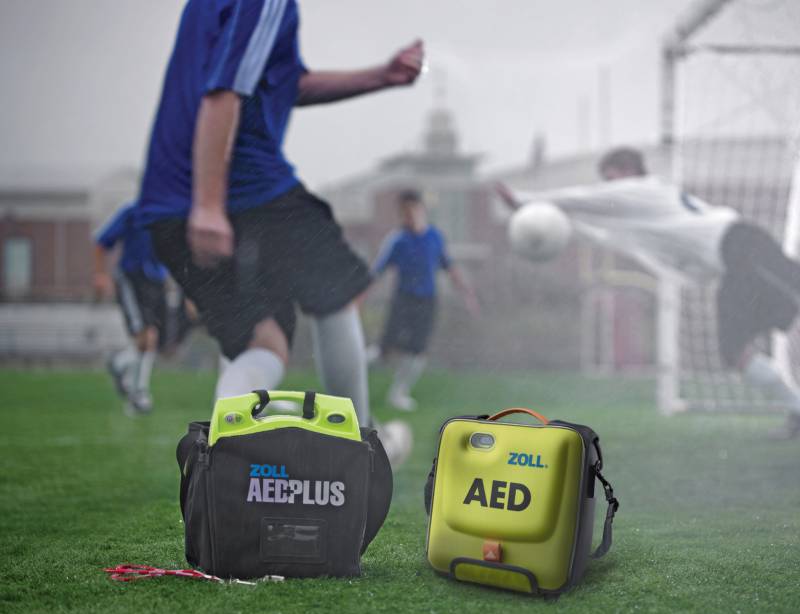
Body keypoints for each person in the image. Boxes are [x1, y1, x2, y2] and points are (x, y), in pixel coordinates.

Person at [138, 0, 423, 452]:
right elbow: (223, 90)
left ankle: (221, 460)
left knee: (262, 340)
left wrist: (380, 76)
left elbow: (283, 82)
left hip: (165, 205)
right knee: (337, 290)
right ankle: (362, 449)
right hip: (241, 189)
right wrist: (208, 205)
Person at [498, 146, 800, 438]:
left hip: (745, 246)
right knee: (733, 351)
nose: (609, 187)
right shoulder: (639, 218)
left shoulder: (645, 189)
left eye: (611, 178)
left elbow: (587, 199)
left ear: (629, 170)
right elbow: (598, 231)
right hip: (733, 265)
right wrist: (550, 217)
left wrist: (524, 199)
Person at [364, 190, 480, 411]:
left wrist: (468, 293)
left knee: (417, 351)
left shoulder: (435, 237)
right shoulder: (397, 240)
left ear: (422, 210)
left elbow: (449, 267)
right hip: (403, 300)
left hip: (427, 301)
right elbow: (376, 272)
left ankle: (398, 394)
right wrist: (357, 299)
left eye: (413, 210)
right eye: (404, 212)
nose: (410, 216)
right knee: (384, 351)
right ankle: (351, 374)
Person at [94, 202, 194, 414]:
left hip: (157, 282)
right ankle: (138, 394)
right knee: (146, 336)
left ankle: (119, 363)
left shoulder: (172, 216)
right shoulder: (132, 214)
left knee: (157, 342)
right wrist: (101, 275)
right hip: (132, 279)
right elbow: (102, 243)